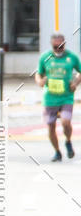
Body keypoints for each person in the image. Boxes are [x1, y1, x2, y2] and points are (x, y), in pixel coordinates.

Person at [35, 32, 81, 161]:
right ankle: (57, 152)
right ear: (51, 46)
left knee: (66, 122)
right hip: (50, 98)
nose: (58, 49)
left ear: (64, 44)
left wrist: (76, 83)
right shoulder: (45, 57)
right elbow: (38, 74)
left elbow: (80, 72)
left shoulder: (72, 57)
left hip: (66, 97)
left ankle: (68, 140)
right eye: (56, 47)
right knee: (51, 126)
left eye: (61, 46)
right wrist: (39, 81)